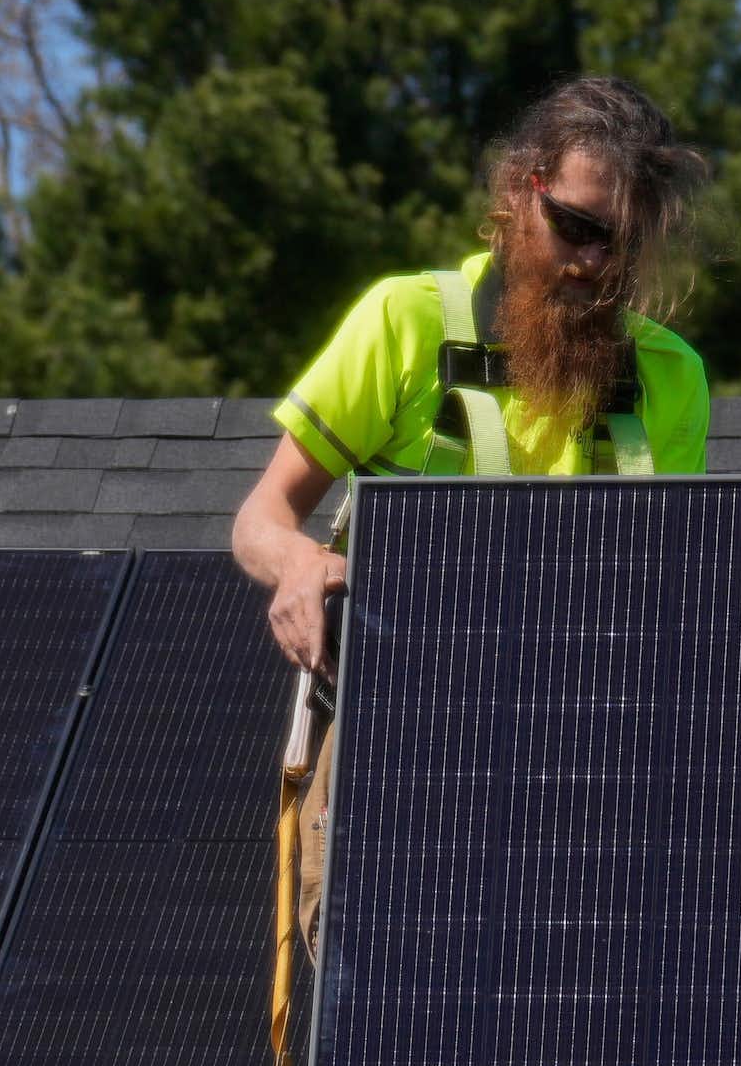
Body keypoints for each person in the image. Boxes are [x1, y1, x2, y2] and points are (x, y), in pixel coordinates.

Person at [233, 74, 715, 949]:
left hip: (585, 775)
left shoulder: (670, 378)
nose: (595, 265)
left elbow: (669, 595)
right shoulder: (406, 324)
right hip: (402, 759)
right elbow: (260, 517)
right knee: (395, 1025)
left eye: (623, 244)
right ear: (518, 189)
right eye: (576, 227)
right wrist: (300, 563)